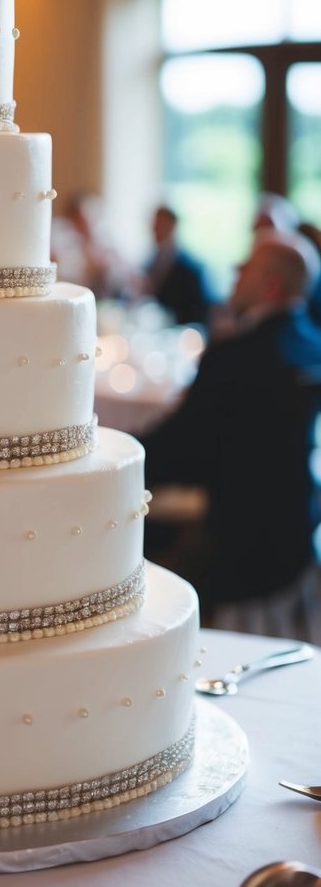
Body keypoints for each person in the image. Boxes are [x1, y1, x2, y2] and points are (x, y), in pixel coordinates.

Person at [140, 230, 321, 616]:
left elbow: (177, 453)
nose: (234, 272)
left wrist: (121, 455)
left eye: (245, 268)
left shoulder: (234, 358)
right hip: (297, 530)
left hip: (236, 546)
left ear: (271, 285)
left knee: (142, 569)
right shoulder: (312, 347)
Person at [143, 204, 212, 326]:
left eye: (160, 224)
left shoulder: (191, 268)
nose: (155, 229)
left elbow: (197, 312)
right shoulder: (150, 263)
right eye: (154, 224)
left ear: (172, 227)